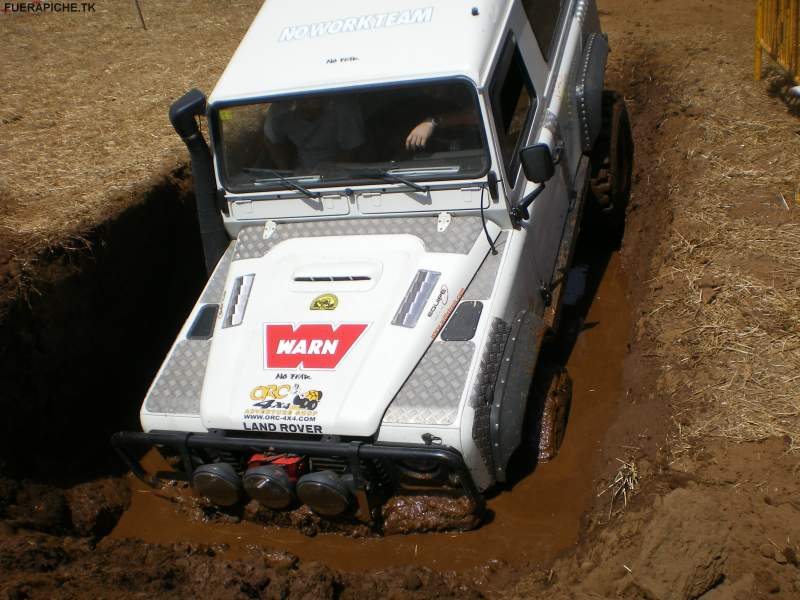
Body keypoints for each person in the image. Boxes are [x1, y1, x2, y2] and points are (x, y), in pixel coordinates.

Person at [264, 96, 365, 170]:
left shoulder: (343, 110)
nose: (309, 106)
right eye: (304, 102)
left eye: (314, 102)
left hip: (339, 168)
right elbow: (271, 140)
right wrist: (286, 172)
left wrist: (334, 172)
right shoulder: (280, 112)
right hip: (299, 172)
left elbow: (352, 147)